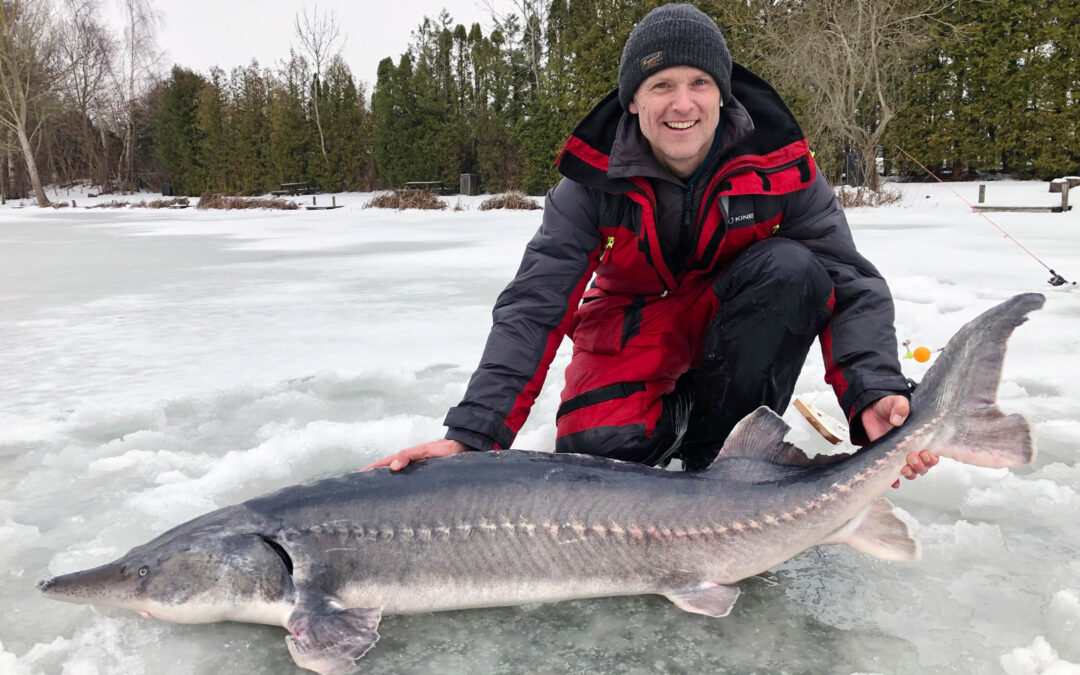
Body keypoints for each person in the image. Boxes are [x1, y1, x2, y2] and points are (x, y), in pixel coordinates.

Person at [367, 3, 936, 483]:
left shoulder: (781, 167)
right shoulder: (588, 185)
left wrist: (872, 394)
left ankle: (721, 458)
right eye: (660, 85)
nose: (681, 104)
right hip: (635, 327)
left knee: (794, 269)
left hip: (736, 320)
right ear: (633, 100)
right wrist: (473, 436)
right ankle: (670, 421)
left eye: (699, 84)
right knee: (596, 455)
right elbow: (534, 306)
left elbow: (850, 282)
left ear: (722, 94)